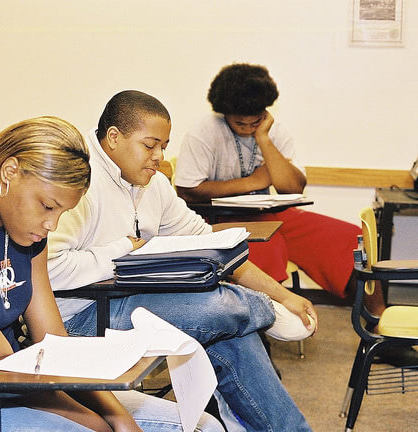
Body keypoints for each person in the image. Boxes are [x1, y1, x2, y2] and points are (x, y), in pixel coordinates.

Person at [0, 116, 223, 431]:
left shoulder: (27, 230)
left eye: (62, 212)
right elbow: (1, 367)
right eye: (48, 206)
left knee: (203, 426)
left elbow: (54, 344)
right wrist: (100, 423)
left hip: (21, 381)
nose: (52, 224)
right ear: (9, 172)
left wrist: (117, 417)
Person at [47, 90, 316, 431]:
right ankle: (260, 310)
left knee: (231, 329)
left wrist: (285, 296)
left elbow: (213, 246)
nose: (159, 157)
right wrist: (122, 252)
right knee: (218, 307)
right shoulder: (78, 180)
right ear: (113, 138)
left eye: (164, 146)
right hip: (80, 317)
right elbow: (50, 269)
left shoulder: (154, 184)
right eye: (150, 145)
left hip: (131, 300)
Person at [174, 63, 416, 367]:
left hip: (270, 214)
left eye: (255, 122)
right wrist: (253, 182)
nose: (247, 128)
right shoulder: (203, 132)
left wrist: (264, 139)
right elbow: (188, 190)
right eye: (240, 123)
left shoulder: (273, 131)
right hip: (221, 219)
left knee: (349, 238)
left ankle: (380, 334)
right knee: (265, 251)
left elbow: (293, 187)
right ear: (224, 113)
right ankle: (256, 347)